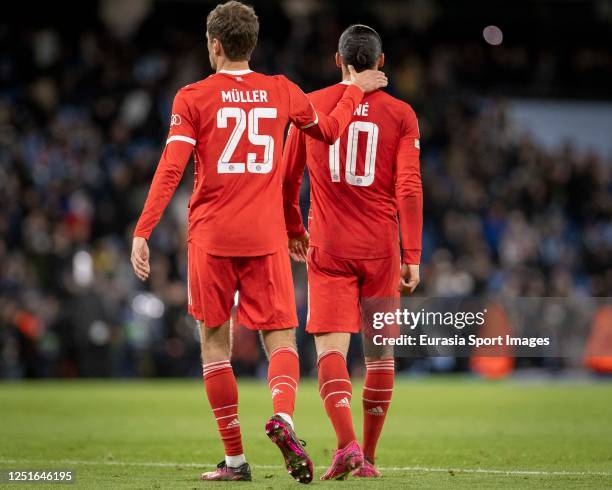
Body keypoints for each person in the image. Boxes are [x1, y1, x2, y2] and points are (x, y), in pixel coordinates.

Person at [129, 2, 387, 483]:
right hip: (266, 236)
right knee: (280, 338)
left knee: (214, 343)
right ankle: (285, 419)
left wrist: (143, 229)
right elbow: (329, 131)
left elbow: (171, 169)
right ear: (252, 44)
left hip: (211, 236)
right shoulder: (281, 90)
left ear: (215, 45)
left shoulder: (191, 97)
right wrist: (353, 90)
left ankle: (234, 462)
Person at [282, 24, 422, 480]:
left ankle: (347, 445)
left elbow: (288, 180)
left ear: (336, 61)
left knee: (331, 352)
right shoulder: (402, 114)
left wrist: (294, 228)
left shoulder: (312, 104)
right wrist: (413, 253)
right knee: (380, 356)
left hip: (330, 246)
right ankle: (370, 459)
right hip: (381, 248)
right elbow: (409, 185)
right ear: (381, 63)